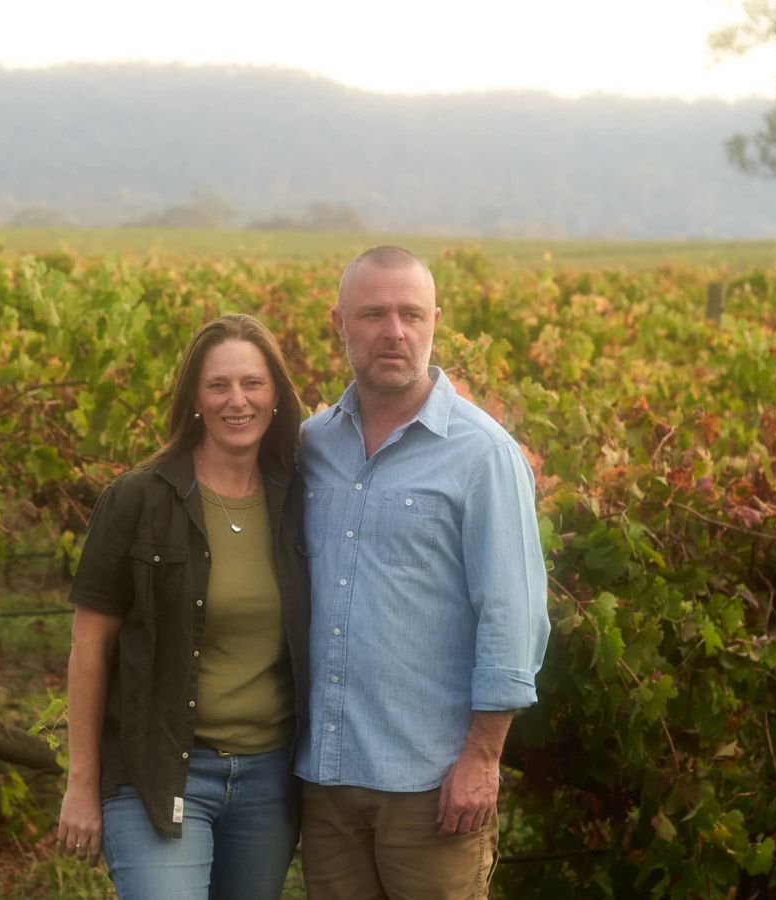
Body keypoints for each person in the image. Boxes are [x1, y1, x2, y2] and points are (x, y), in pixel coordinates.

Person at [296, 246, 551, 900]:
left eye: (411, 313)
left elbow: (514, 616)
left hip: (432, 784)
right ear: (339, 322)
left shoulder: (482, 453)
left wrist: (482, 758)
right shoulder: (310, 445)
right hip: (325, 780)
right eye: (373, 314)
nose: (394, 331)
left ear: (436, 319)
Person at [56, 314, 309, 900]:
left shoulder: (300, 495)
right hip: (159, 771)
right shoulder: (138, 498)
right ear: (194, 396)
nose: (236, 400)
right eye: (218, 385)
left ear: (276, 394)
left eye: (253, 383)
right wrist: (81, 784)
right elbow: (88, 647)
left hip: (269, 780)